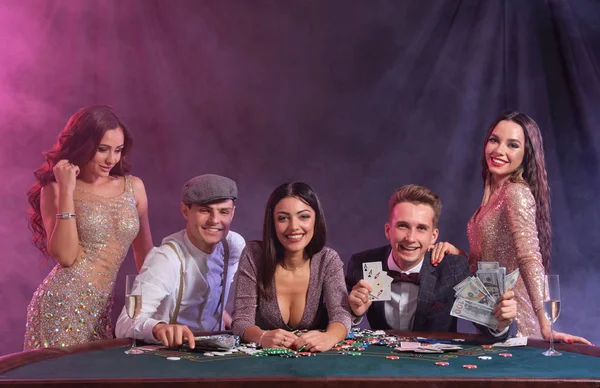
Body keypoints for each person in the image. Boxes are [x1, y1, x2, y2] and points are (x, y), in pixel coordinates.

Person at [430, 111, 591, 344]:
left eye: (512, 145)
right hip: (495, 322)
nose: (499, 151)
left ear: (526, 154)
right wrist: (459, 255)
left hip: (519, 327)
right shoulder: (491, 194)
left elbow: (529, 257)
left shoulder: (515, 192)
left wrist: (546, 326)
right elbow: (488, 262)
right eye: (494, 140)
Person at [24, 105, 154, 349]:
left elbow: (145, 254)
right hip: (62, 305)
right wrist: (66, 190)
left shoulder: (133, 187)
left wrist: (163, 300)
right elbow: (65, 256)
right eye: (102, 149)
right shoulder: (55, 189)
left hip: (101, 308)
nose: (111, 159)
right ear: (83, 145)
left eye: (118, 150)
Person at [346, 184, 516, 339]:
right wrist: (354, 313)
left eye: (421, 228)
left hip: (435, 367)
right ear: (388, 230)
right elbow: (334, 320)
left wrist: (500, 323)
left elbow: (488, 328)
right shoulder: (361, 264)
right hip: (383, 366)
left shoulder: (452, 268)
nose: (411, 238)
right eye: (403, 226)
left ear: (433, 236)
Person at [115, 174, 245, 349]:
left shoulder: (234, 245)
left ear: (233, 213)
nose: (215, 220)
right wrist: (159, 328)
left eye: (224, 212)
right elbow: (124, 324)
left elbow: (212, 300)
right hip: (172, 356)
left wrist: (232, 323)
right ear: (185, 211)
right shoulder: (166, 258)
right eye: (205, 210)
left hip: (218, 351)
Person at [231, 182, 352, 352]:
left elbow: (341, 314)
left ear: (315, 220)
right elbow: (241, 320)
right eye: (283, 218)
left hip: (313, 362)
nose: (294, 226)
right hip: (262, 364)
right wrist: (262, 336)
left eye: (303, 216)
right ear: (272, 223)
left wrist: (329, 337)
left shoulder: (327, 259)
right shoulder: (254, 255)